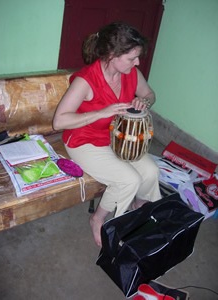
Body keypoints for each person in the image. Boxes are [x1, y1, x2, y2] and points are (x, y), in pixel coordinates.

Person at [53, 22, 161, 247]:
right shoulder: (86, 80)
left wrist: (144, 101)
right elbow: (59, 121)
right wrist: (100, 112)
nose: (137, 63)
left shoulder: (131, 73)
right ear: (113, 54)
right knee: (128, 180)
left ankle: (138, 207)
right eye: (132, 58)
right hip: (84, 140)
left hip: (115, 137)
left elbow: (150, 93)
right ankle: (98, 218)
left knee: (151, 171)